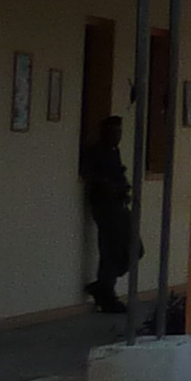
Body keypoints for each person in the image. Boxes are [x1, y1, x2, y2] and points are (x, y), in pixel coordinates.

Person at [78, 113, 133, 316]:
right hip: (105, 206)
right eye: (114, 131)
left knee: (134, 249)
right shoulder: (96, 152)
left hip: (120, 204)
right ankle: (107, 292)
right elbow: (88, 173)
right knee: (111, 250)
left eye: (119, 131)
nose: (118, 135)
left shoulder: (114, 152)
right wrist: (106, 184)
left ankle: (102, 285)